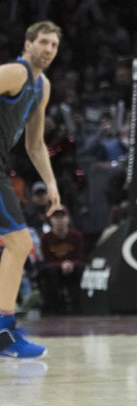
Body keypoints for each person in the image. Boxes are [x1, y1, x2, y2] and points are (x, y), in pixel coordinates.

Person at [0, 20, 62, 359]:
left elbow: (35, 144)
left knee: (17, 243)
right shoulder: (15, 73)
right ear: (27, 44)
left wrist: (51, 183)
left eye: (53, 45)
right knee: (20, 241)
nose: (48, 50)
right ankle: (3, 331)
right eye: (43, 42)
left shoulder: (42, 86)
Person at [37, 206, 85, 314]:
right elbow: (47, 260)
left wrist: (71, 264)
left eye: (62, 217)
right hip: (54, 269)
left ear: (68, 219)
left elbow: (80, 257)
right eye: (56, 217)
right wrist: (61, 265)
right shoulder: (45, 238)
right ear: (51, 220)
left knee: (81, 268)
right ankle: (54, 306)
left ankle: (78, 305)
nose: (59, 220)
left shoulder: (76, 236)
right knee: (48, 270)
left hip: (72, 268)